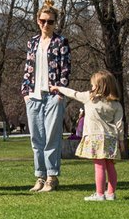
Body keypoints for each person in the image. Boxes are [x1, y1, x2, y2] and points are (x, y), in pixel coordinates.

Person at [21, 0, 71, 193]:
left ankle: (52, 176)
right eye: (43, 21)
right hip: (33, 96)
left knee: (52, 137)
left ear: (55, 22)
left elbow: (65, 69)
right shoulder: (32, 42)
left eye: (50, 21)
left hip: (53, 95)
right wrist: (25, 92)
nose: (46, 25)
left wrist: (60, 92)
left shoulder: (61, 42)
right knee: (36, 138)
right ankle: (39, 177)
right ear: (37, 20)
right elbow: (28, 68)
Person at [50, 70, 123, 201]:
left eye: (93, 85)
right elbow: (119, 125)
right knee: (110, 165)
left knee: (99, 166)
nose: (92, 87)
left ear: (99, 86)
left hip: (95, 137)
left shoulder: (90, 98)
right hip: (111, 138)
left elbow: (73, 93)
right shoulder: (116, 104)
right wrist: (121, 141)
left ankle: (100, 194)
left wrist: (58, 88)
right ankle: (111, 193)